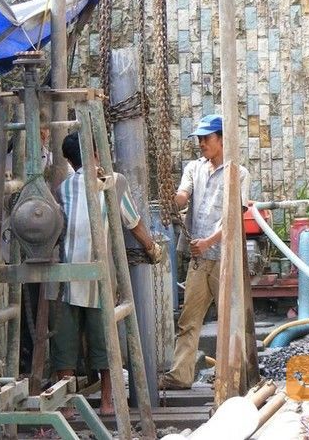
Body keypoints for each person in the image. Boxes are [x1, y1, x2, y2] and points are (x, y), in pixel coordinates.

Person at [51, 131, 162, 415]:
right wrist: (152, 248)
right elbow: (133, 222)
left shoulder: (61, 188)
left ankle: (63, 404)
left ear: (69, 160)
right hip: (100, 278)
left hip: (66, 276)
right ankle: (108, 401)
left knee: (65, 342)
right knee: (105, 341)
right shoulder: (113, 182)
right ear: (95, 154)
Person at [158, 114, 250, 390]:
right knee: (189, 320)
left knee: (231, 320)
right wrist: (170, 198)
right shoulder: (194, 169)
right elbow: (183, 195)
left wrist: (209, 241)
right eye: (199, 139)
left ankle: (231, 377)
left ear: (222, 139)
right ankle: (180, 376)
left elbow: (235, 216)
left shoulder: (239, 173)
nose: (201, 144)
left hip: (224, 257)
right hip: (200, 260)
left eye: (206, 138)